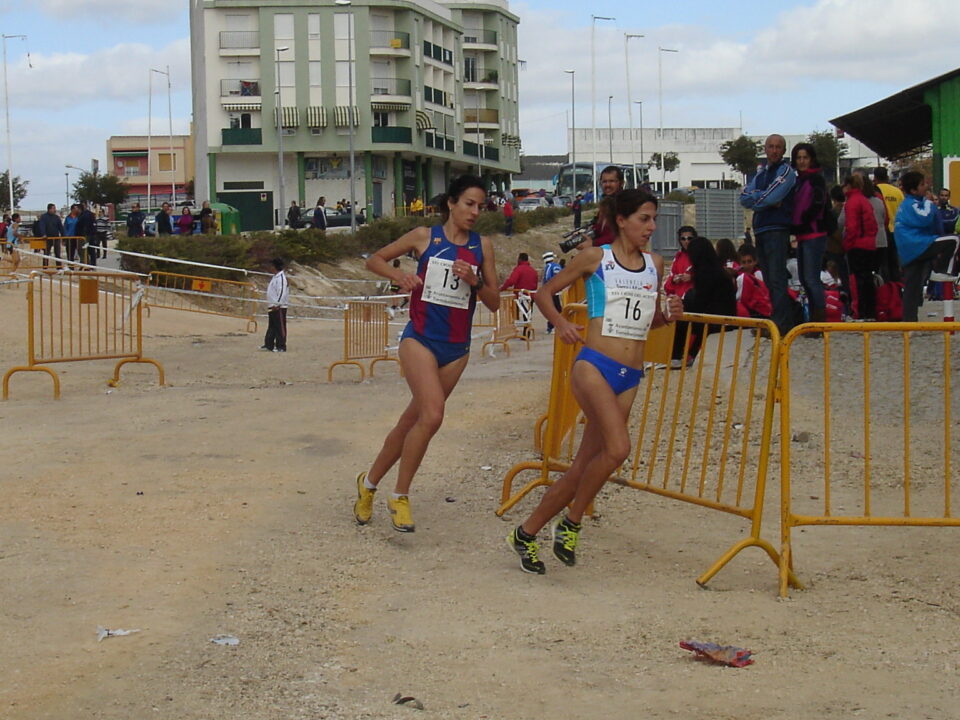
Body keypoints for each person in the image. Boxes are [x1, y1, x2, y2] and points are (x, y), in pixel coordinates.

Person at [505, 189, 682, 573]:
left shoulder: (655, 263)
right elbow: (544, 292)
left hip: (630, 374)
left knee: (585, 464)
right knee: (618, 449)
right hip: (594, 365)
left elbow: (646, 321)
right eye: (644, 219)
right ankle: (571, 523)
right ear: (622, 220)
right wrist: (562, 323)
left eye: (653, 219)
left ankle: (526, 532)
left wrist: (667, 315)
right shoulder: (596, 258)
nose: (651, 227)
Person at [352, 175, 498, 533]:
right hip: (420, 339)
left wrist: (476, 281)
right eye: (468, 203)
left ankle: (368, 484)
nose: (474, 212)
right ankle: (400, 496)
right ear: (451, 203)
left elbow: (494, 303)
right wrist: (399, 278)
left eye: (480, 206)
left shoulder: (483, 246)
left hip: (456, 348)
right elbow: (375, 260)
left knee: (410, 423)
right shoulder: (424, 237)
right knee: (432, 416)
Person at [739, 134, 797, 335]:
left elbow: (774, 196)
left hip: (777, 229)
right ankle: (777, 319)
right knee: (768, 278)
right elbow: (744, 198)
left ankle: (782, 324)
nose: (773, 150)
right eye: (770, 146)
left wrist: (760, 199)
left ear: (783, 150)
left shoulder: (786, 172)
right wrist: (763, 199)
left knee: (777, 278)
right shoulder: (761, 174)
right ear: (765, 149)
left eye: (778, 147)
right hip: (761, 230)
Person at [895, 171, 959, 322]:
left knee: (912, 285)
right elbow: (924, 218)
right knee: (954, 240)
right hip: (917, 245)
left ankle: (909, 322)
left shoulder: (908, 204)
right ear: (913, 190)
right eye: (922, 184)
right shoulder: (912, 204)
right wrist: (931, 203)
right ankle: (942, 270)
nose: (926, 187)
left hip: (909, 249)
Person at [670, 236, 738, 367]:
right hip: (724, 317)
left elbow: (701, 301)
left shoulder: (705, 273)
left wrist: (686, 300)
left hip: (716, 319)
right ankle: (691, 354)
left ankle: (676, 356)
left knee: (681, 320)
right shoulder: (717, 269)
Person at [790, 142, 829, 324]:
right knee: (806, 280)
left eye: (805, 157)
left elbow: (817, 205)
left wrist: (803, 221)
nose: (802, 161)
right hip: (802, 235)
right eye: (799, 158)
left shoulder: (816, 180)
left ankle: (819, 321)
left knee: (812, 279)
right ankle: (814, 319)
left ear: (811, 159)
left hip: (814, 234)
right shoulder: (798, 180)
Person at [841, 174, 879, 320]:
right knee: (868, 278)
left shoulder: (851, 202)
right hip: (869, 244)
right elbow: (874, 225)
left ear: (849, 186)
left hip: (857, 245)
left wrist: (846, 244)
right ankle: (871, 312)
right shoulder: (865, 200)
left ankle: (860, 311)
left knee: (858, 280)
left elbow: (851, 227)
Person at [874, 167, 903, 281]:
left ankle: (885, 290)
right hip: (896, 231)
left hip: (882, 231)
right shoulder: (897, 192)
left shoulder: (874, 191)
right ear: (887, 176)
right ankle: (896, 290)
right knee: (894, 264)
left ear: (875, 177)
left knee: (883, 264)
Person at [590, 166, 625, 247]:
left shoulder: (624, 203)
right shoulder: (605, 204)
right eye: (604, 181)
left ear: (621, 183)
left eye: (612, 181)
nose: (607, 185)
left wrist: (593, 243)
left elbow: (619, 235)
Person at [260, 258, 289, 352]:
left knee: (279, 326)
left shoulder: (281, 278)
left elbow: (282, 292)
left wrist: (277, 304)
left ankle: (281, 346)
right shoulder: (275, 277)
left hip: (278, 306)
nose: (269, 268)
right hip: (272, 305)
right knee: (272, 326)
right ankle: (269, 344)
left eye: (271, 266)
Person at [736, 243, 772, 319]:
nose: (747, 265)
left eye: (749, 261)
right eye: (744, 262)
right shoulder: (738, 276)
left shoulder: (759, 275)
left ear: (755, 261)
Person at [663, 226, 696, 299]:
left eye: (689, 238)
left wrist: (692, 277)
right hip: (679, 300)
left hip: (694, 300)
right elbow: (667, 285)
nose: (686, 241)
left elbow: (709, 277)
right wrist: (674, 280)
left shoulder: (701, 256)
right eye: (683, 239)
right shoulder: (679, 257)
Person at [542, 250, 562, 333]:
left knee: (551, 309)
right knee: (558, 309)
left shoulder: (548, 267)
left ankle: (551, 327)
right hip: (557, 290)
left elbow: (547, 278)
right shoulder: (557, 266)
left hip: (550, 291)